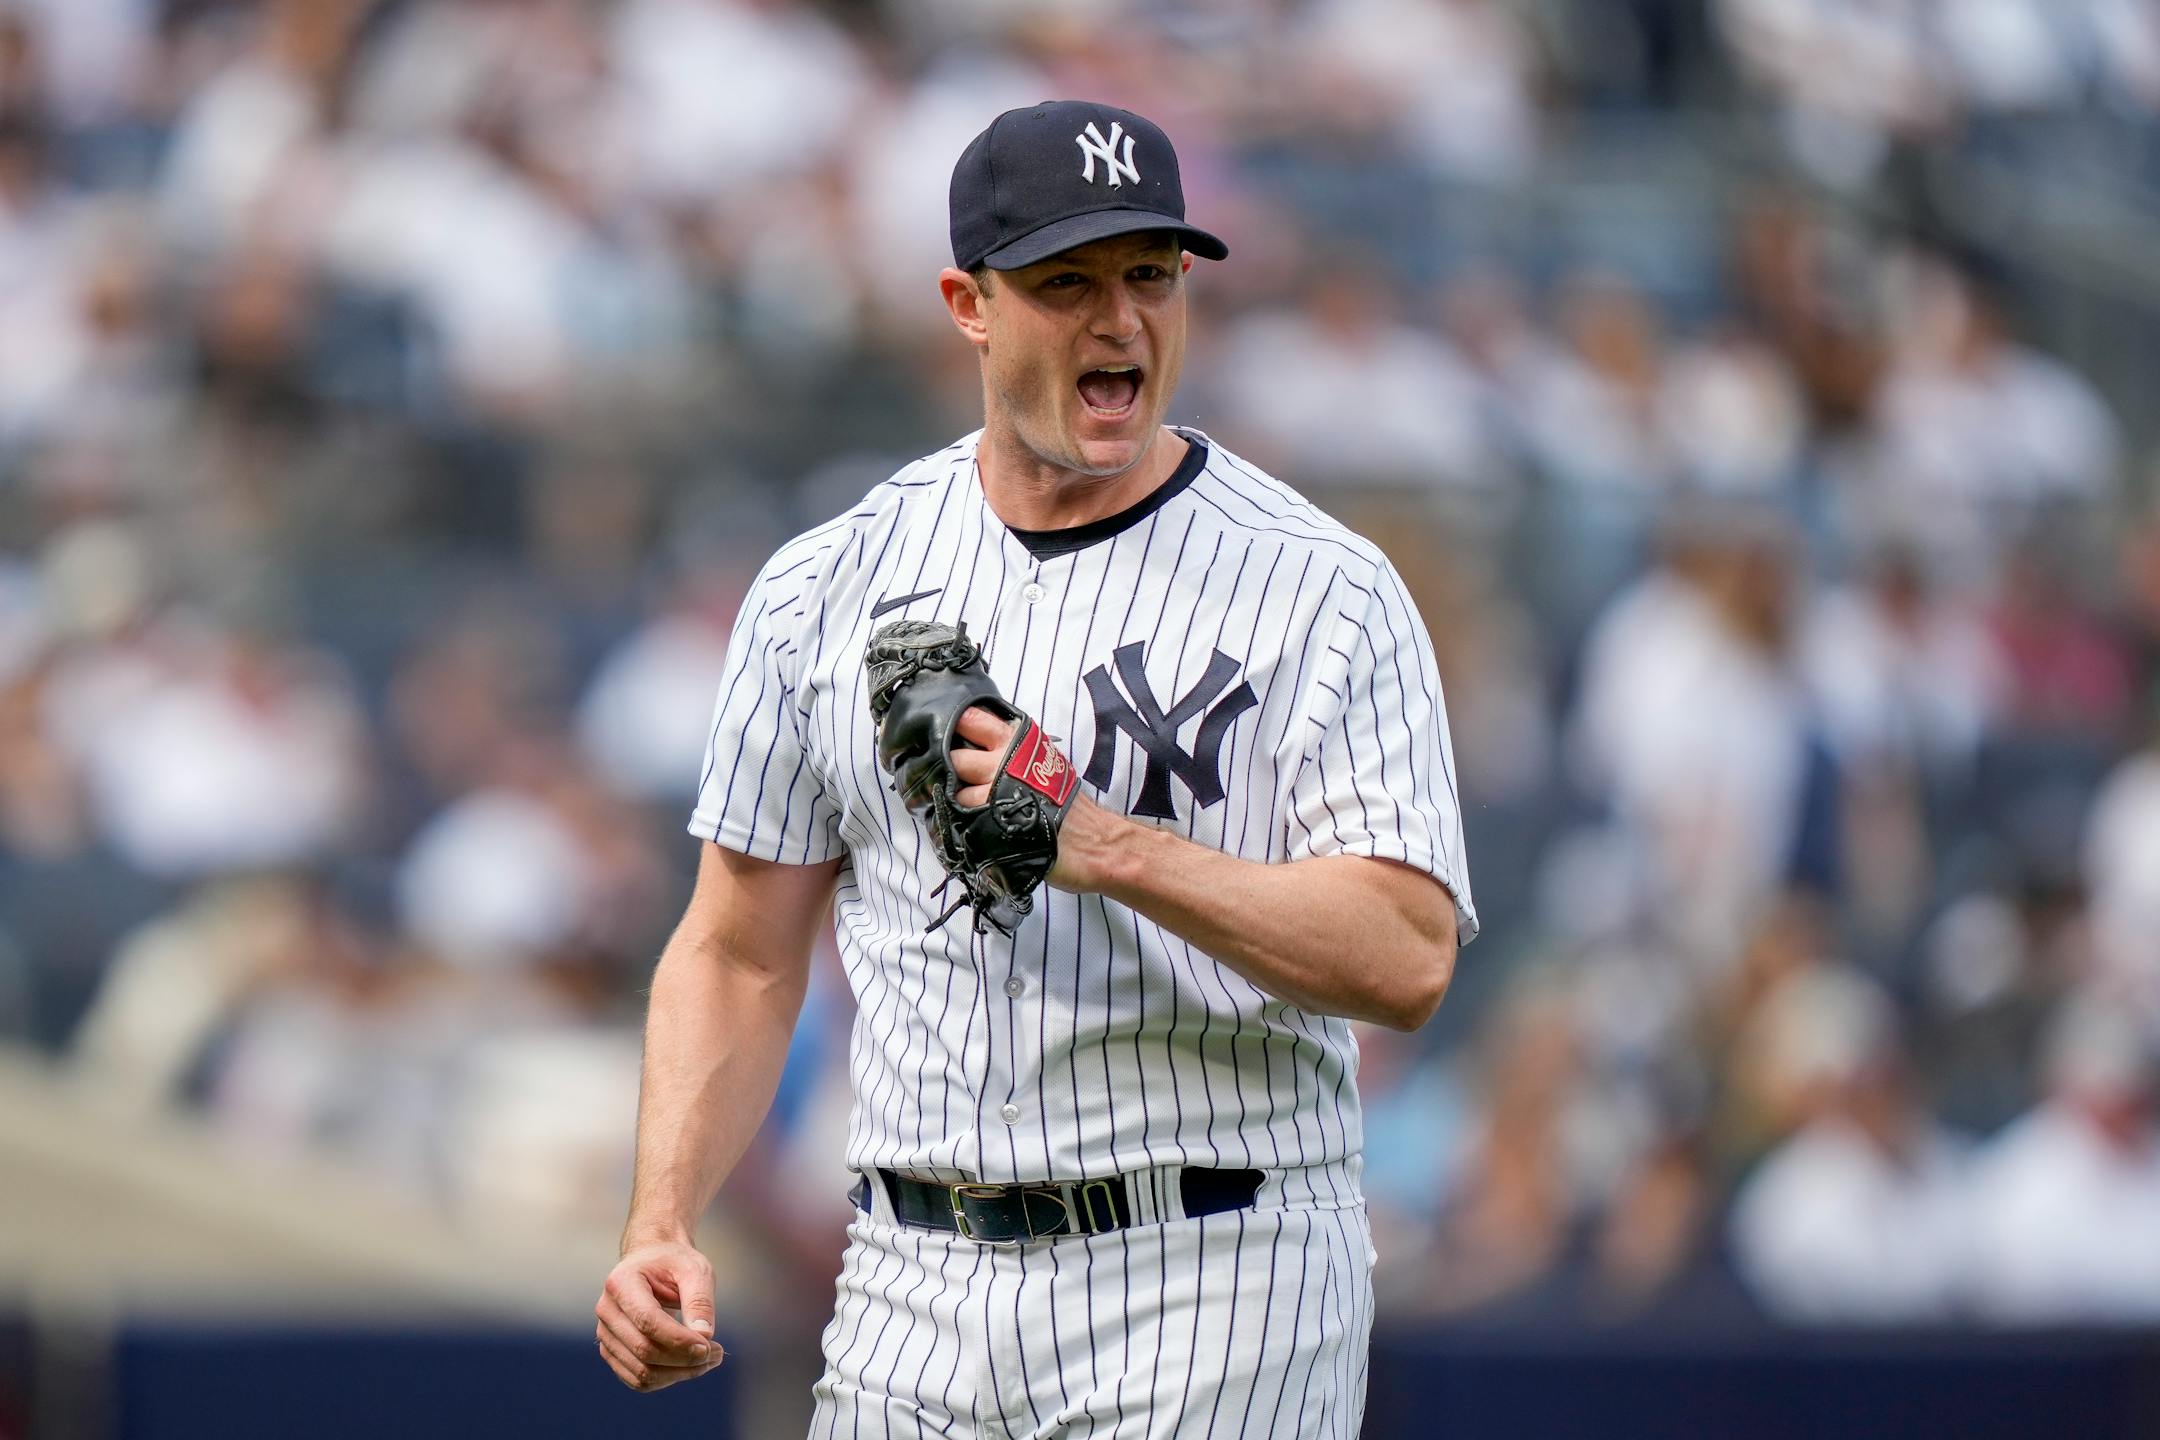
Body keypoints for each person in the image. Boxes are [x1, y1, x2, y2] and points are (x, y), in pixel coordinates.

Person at [592, 100, 1477, 1436]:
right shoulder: (830, 586)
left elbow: (1406, 957)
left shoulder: (1321, 589)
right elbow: (737, 950)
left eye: (1150, 276)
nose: (1120, 322)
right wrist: (661, 1216)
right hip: (909, 1276)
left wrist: (1109, 846)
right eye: (1067, 283)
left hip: (1214, 1270)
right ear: (969, 303)